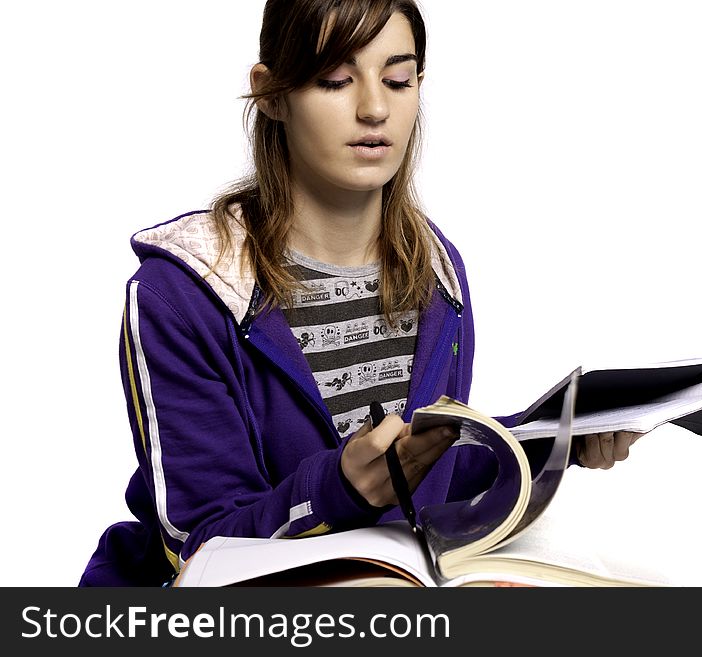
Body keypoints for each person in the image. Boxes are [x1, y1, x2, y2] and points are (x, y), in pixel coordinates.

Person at [79, 0, 644, 587]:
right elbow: (200, 549)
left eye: (397, 81)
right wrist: (340, 490)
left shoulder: (436, 271)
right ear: (271, 93)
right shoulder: (182, 292)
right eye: (335, 81)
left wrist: (549, 437)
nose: (375, 108)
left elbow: (424, 467)